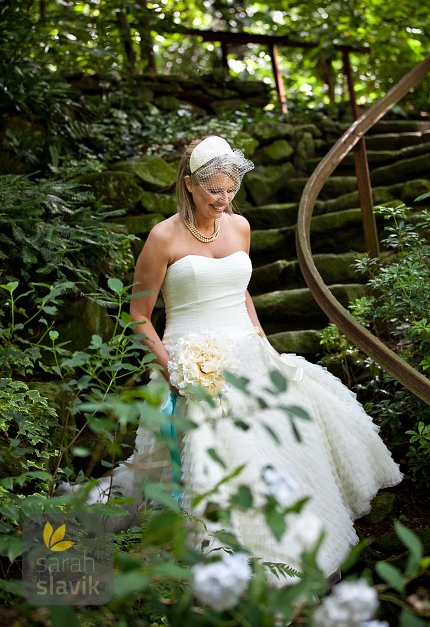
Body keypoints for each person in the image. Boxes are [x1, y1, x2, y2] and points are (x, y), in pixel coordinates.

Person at [65, 135, 403, 583]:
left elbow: (240, 289)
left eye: (230, 190)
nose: (223, 201)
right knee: (212, 462)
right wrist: (173, 371)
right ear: (189, 184)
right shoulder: (162, 236)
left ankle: (294, 548)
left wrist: (263, 342)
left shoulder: (239, 226)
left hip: (248, 352)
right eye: (213, 191)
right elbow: (139, 316)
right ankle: (225, 558)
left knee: (279, 447)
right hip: (189, 361)